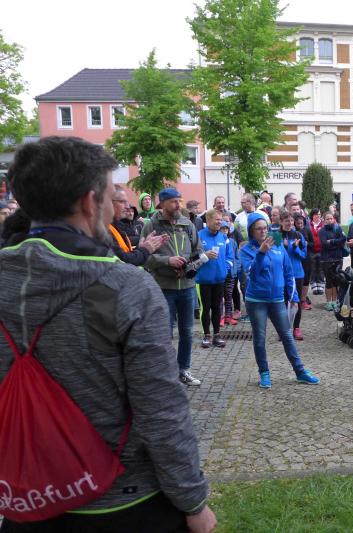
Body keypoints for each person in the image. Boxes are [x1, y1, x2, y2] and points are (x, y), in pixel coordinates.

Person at [0, 136, 215, 532]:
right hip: (124, 501)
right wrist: (193, 500)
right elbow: (160, 410)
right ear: (89, 202)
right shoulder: (125, 286)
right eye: (109, 194)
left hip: (25, 498)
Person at [239, 214, 319, 389]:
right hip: (256, 300)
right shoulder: (246, 250)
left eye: (265, 228)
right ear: (252, 231)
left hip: (277, 299)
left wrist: (294, 295)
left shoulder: (276, 243)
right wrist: (261, 252)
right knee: (260, 338)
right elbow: (253, 274)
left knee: (287, 336)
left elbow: (288, 271)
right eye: (258, 229)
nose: (263, 231)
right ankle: (264, 373)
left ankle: (300, 371)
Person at [141, 188, 204, 386]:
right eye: (174, 201)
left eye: (180, 201)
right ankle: (166, 373)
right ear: (162, 204)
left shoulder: (187, 224)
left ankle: (183, 370)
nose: (178, 205)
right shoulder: (152, 225)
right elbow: (144, 257)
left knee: (187, 332)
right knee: (164, 333)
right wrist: (168, 261)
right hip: (163, 287)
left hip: (187, 287)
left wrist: (188, 267)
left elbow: (198, 251)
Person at [194, 209, 230, 349]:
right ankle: (206, 335)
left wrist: (226, 268)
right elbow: (193, 257)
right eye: (217, 219)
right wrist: (205, 256)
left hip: (219, 278)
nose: (219, 222)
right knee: (205, 307)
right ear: (208, 220)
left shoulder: (223, 237)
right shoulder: (199, 236)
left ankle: (217, 335)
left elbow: (229, 256)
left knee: (217, 307)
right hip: (203, 279)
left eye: (220, 220)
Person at [109, 186, 165, 266]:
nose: (127, 207)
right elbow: (124, 260)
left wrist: (141, 247)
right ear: (107, 202)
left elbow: (127, 252)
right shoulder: (104, 230)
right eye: (122, 201)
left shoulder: (116, 225)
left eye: (149, 199)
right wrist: (145, 249)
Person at [279, 211, 307, 340]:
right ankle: (284, 329)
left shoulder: (298, 235)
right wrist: (284, 248)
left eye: (291, 221)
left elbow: (303, 255)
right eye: (287, 221)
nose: (290, 223)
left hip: (297, 273)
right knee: (283, 302)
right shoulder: (276, 236)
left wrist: (295, 248)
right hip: (282, 274)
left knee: (297, 301)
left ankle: (296, 328)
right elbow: (274, 254)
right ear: (281, 222)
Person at [319, 211, 346, 310]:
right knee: (329, 281)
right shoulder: (322, 231)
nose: (330, 220)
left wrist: (332, 241)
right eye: (328, 219)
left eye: (331, 218)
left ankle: (335, 301)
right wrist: (336, 244)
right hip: (326, 259)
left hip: (338, 258)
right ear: (324, 220)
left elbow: (343, 239)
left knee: (336, 281)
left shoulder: (338, 228)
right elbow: (325, 244)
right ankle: (328, 302)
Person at [306, 208, 326, 298]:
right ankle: (314, 286)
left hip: (322, 250)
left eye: (319, 214)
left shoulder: (323, 224)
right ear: (312, 216)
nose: (318, 216)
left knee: (321, 269)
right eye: (316, 214)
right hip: (311, 250)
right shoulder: (308, 225)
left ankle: (321, 285)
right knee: (313, 269)